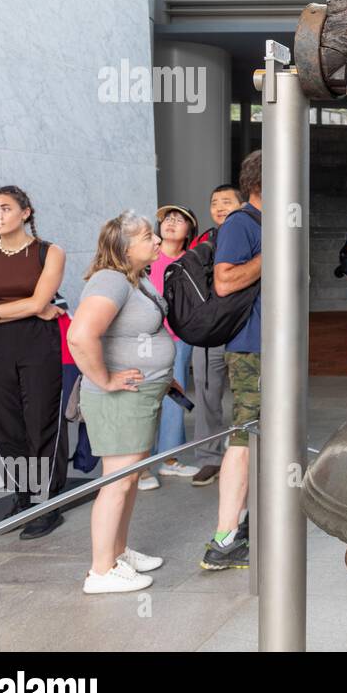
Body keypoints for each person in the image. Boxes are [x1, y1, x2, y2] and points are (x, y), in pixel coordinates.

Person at [67, 212, 176, 593]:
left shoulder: (135, 278)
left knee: (129, 479)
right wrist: (106, 378)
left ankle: (117, 552)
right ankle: (101, 571)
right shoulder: (110, 280)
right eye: (149, 236)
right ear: (125, 248)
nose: (158, 241)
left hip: (140, 393)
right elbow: (80, 336)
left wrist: (163, 371)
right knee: (116, 481)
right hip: (119, 398)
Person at [0, 186, 68, 539]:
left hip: (40, 346)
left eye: (4, 208)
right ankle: (23, 496)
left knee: (41, 422)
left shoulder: (48, 252)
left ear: (25, 212)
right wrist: (22, 308)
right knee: (5, 426)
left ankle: (46, 502)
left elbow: (40, 302)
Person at [200, 152, 263, 571]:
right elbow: (224, 281)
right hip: (251, 350)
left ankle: (245, 526)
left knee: (259, 437)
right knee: (243, 438)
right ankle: (223, 538)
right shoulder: (242, 223)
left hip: (269, 348)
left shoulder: (263, 223)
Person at [139, 203, 202, 489]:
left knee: (174, 395)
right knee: (143, 399)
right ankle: (140, 466)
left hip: (178, 337)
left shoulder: (192, 261)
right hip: (144, 338)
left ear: (190, 231)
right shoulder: (146, 257)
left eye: (180, 219)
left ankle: (169, 459)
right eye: (167, 219)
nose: (171, 223)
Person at [189, 184, 242, 487]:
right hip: (210, 334)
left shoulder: (253, 235)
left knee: (248, 399)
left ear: (242, 205)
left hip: (243, 331)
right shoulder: (204, 240)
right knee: (207, 396)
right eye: (214, 203)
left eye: (227, 202)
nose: (220, 207)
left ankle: (245, 455)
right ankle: (209, 458)